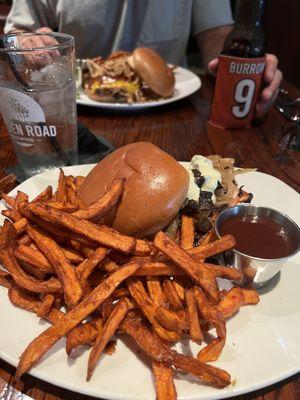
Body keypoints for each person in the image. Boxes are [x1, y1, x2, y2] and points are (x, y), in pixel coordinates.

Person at [4, 0, 282, 117]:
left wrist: (243, 63)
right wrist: (27, 42)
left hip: (174, 112)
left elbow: (217, 37)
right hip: (74, 113)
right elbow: (16, 33)